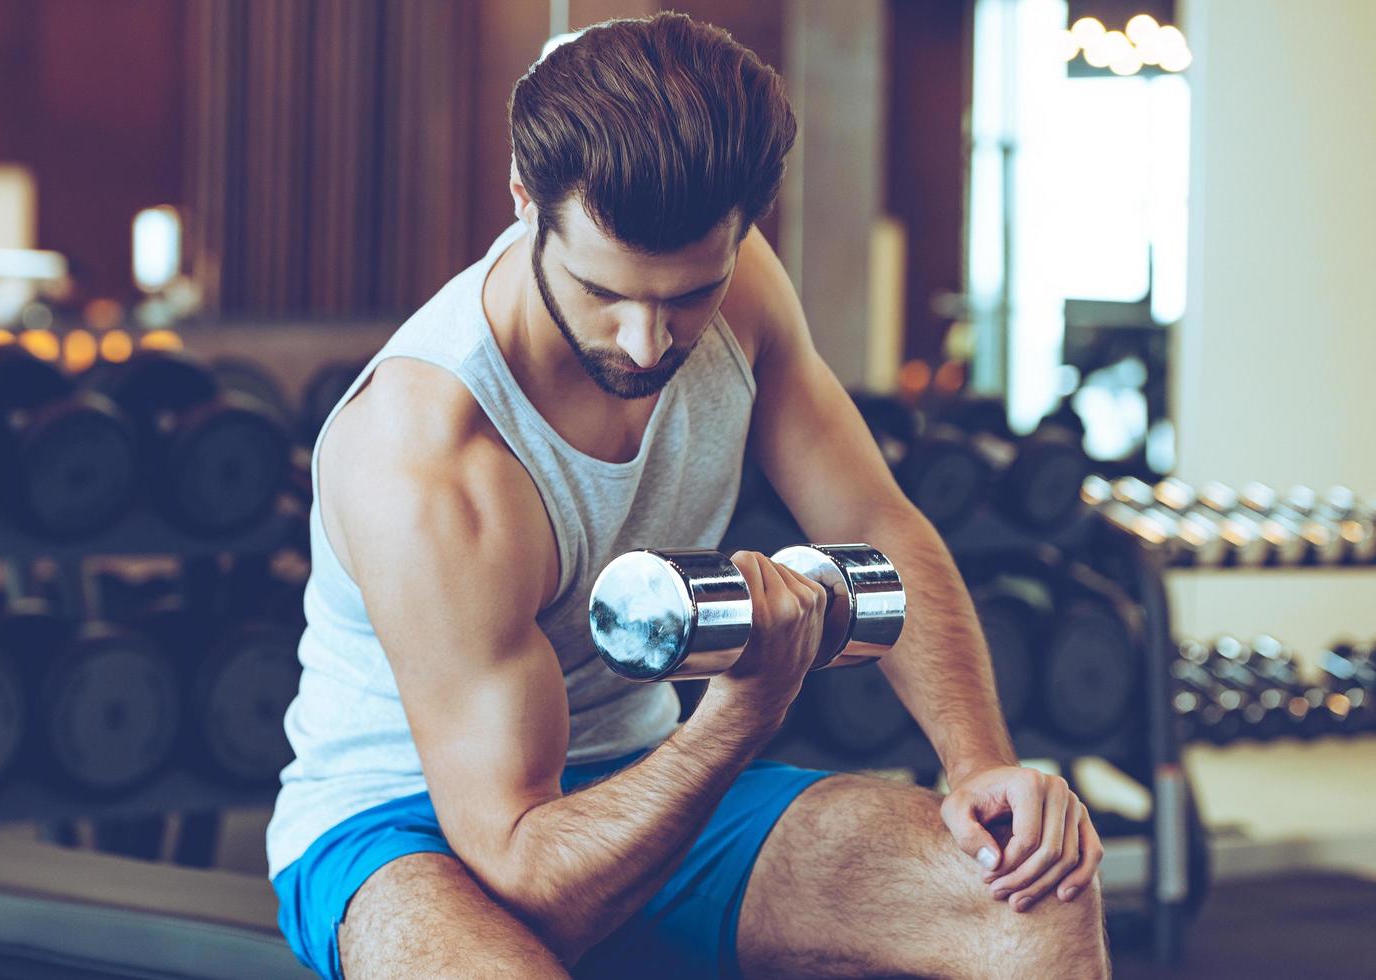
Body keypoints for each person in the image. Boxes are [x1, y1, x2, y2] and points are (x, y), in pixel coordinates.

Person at [267, 12, 1109, 979]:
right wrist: (739, 714)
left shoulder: (745, 287)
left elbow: (871, 521)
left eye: (685, 298)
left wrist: (980, 763)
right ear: (521, 200)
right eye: (602, 292)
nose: (645, 343)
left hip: (642, 776)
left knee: (1030, 893)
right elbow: (531, 874)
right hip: (404, 827)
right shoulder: (428, 454)